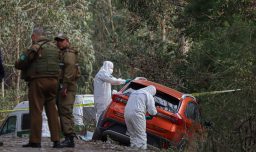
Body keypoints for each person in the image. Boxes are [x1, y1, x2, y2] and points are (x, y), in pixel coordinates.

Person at [15, 27, 61, 148]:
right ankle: (57, 140)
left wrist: (21, 59)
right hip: (53, 82)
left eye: (32, 37)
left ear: (35, 36)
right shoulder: (54, 48)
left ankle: (35, 141)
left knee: (36, 111)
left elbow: (21, 63)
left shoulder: (35, 47)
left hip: (38, 81)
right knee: (52, 110)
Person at [55, 33, 81, 147]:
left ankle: (69, 138)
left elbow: (69, 72)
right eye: (57, 40)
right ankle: (68, 136)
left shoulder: (69, 54)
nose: (58, 42)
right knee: (63, 111)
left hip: (68, 87)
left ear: (67, 41)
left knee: (65, 111)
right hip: (65, 86)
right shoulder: (63, 53)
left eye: (61, 40)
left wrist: (64, 87)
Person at [124, 85, 158, 150]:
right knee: (141, 135)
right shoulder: (148, 95)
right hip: (137, 114)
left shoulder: (134, 92)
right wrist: (155, 114)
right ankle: (141, 150)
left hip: (127, 113)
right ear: (153, 92)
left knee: (132, 134)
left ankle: (133, 148)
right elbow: (152, 111)